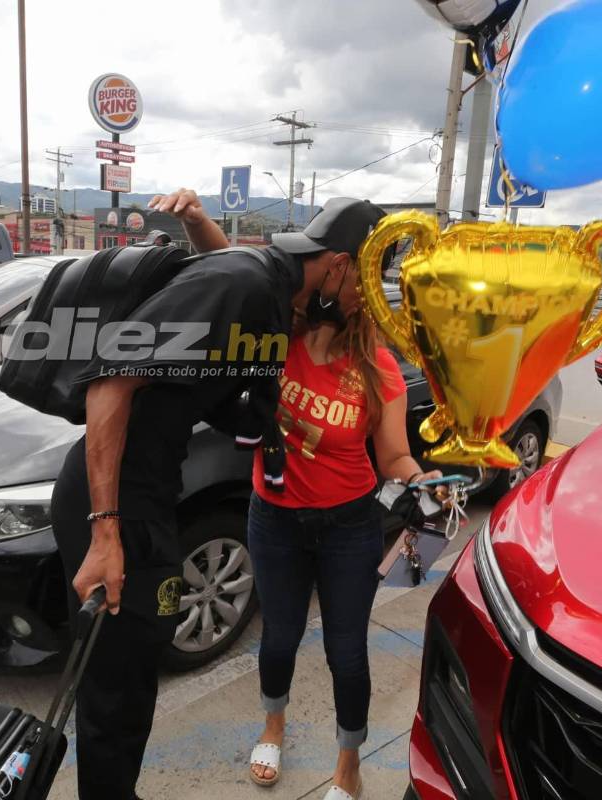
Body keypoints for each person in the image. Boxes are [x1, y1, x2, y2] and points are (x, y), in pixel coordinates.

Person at [49, 188, 388, 800]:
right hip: (115, 499)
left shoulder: (268, 287)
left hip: (150, 494)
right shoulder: (250, 283)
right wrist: (105, 530)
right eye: (366, 283)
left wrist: (200, 224)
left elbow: (226, 275)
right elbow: (109, 383)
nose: (367, 299)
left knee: (136, 674)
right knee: (113, 689)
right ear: (339, 265)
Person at [244, 234, 441, 799]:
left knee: (347, 653)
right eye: (347, 275)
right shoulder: (281, 334)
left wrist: (422, 483)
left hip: (348, 527)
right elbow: (238, 277)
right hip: (274, 518)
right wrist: (196, 219)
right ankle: (273, 725)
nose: (352, 289)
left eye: (362, 282)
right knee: (278, 639)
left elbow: (394, 456)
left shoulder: (378, 368)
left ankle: (348, 764)